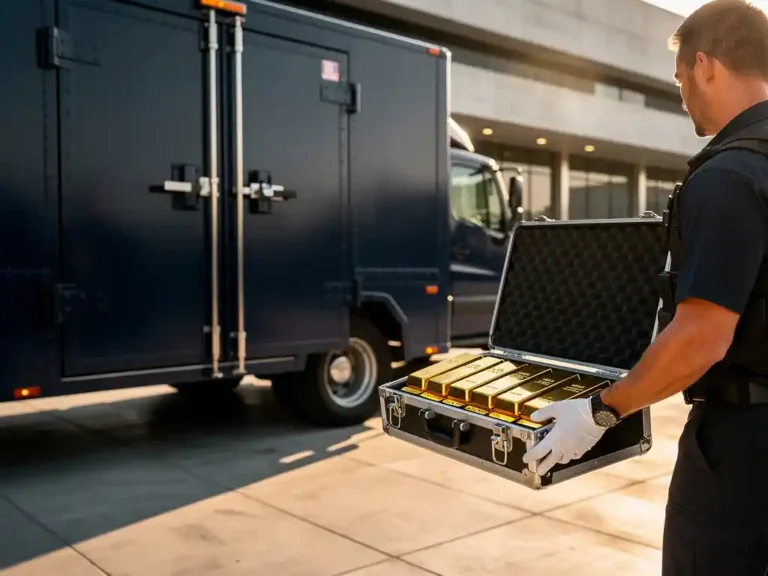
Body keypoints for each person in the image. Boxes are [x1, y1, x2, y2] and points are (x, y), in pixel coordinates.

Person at [522, 1, 768, 573]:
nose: (683, 96)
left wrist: (601, 412)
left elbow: (702, 338)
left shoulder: (729, 177)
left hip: (744, 456)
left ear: (705, 65)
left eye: (681, 79)